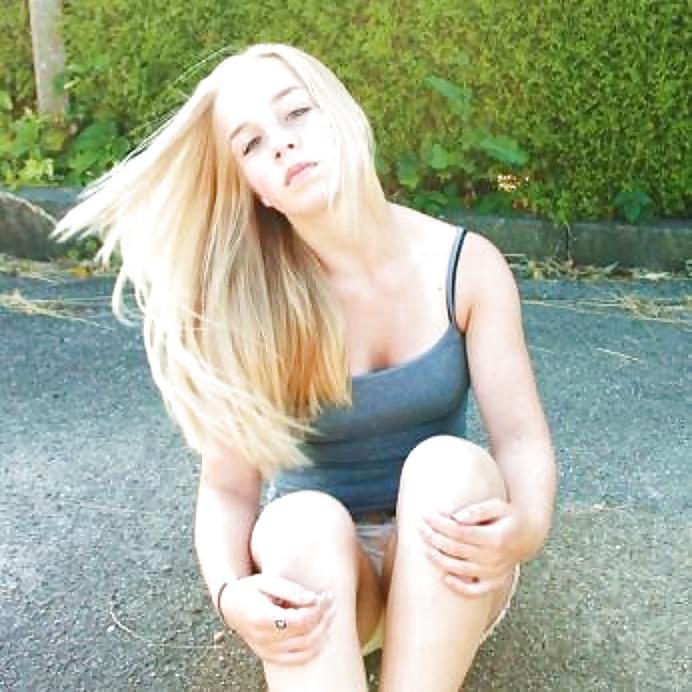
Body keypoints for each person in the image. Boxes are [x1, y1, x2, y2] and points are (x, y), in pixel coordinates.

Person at [53, 43, 556, 692]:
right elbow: (228, 490)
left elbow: (519, 437)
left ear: (341, 113)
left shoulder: (467, 266)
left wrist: (527, 527)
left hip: (450, 565)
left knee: (451, 466)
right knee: (296, 523)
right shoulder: (249, 308)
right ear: (253, 189)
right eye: (252, 144)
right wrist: (231, 593)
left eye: (295, 113)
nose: (283, 144)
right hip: (325, 584)